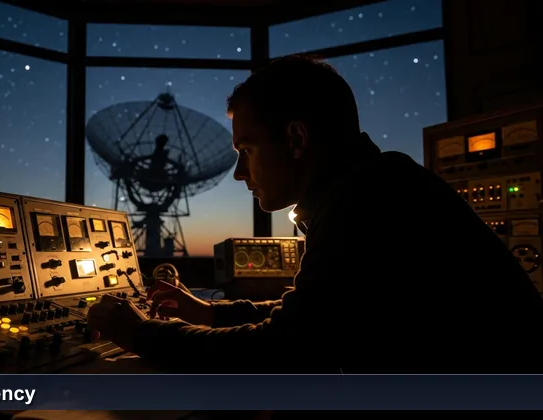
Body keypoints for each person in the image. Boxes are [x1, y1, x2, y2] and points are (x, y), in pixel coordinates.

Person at [87, 55, 543, 374]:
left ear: (297, 139)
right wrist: (209, 315)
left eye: (246, 149)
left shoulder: (366, 204)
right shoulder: (377, 184)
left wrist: (140, 334)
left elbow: (285, 350)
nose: (239, 173)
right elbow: (323, 315)